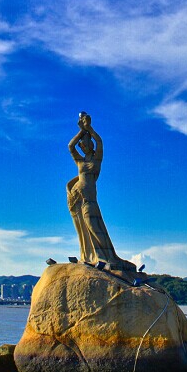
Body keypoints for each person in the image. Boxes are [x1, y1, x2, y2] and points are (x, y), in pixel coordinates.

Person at [66, 112, 136, 273]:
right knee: (85, 228)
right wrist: (82, 132)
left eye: (86, 142)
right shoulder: (80, 161)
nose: (84, 145)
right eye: (82, 144)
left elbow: (99, 141)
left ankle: (108, 258)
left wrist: (89, 129)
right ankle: (91, 257)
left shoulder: (96, 159)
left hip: (90, 200)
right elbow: (70, 146)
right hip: (79, 199)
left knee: (95, 227)